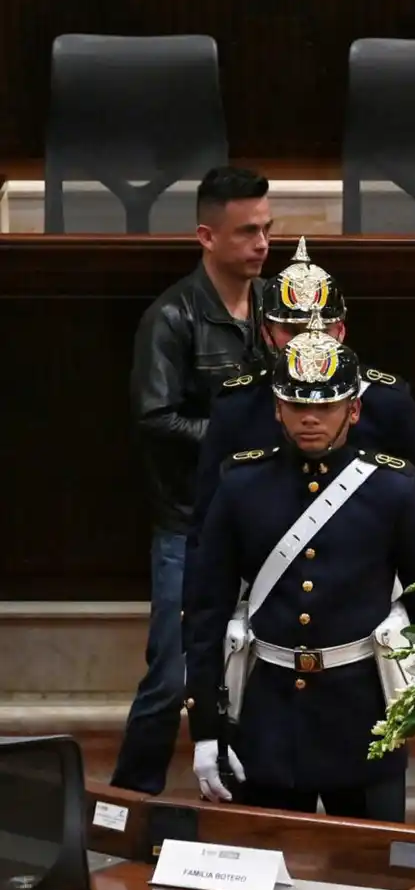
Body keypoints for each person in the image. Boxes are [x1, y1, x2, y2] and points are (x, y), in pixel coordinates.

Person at [182, 327, 415, 822]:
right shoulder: (240, 485)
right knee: (269, 881)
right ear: (276, 408)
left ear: (354, 410)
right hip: (268, 721)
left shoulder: (395, 489)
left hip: (366, 719)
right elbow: (206, 612)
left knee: (372, 880)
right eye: (295, 404)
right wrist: (205, 727)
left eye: (326, 406)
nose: (310, 418)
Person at [115, 166, 272, 795]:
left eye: (266, 229)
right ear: (206, 236)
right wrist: (242, 442)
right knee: (173, 675)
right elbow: (154, 418)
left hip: (265, 520)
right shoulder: (173, 317)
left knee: (261, 668)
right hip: (192, 524)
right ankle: (128, 803)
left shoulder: (273, 305)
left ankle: (257, 802)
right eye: (246, 233)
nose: (262, 244)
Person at [193, 238, 415, 521]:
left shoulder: (385, 400)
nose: (306, 339)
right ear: (266, 334)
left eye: (321, 328)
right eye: (291, 329)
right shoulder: (237, 405)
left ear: (340, 332)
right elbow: (208, 518)